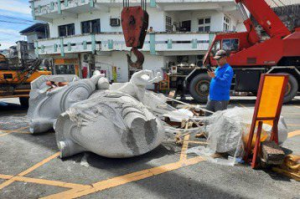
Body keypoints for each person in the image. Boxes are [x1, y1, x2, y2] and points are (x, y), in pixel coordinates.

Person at [206, 49, 233, 116]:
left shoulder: (228, 69)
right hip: (212, 98)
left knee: (219, 121)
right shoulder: (218, 68)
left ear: (225, 58)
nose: (217, 61)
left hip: (221, 100)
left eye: (218, 59)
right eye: (216, 59)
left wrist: (214, 77)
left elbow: (225, 83)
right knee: (207, 119)